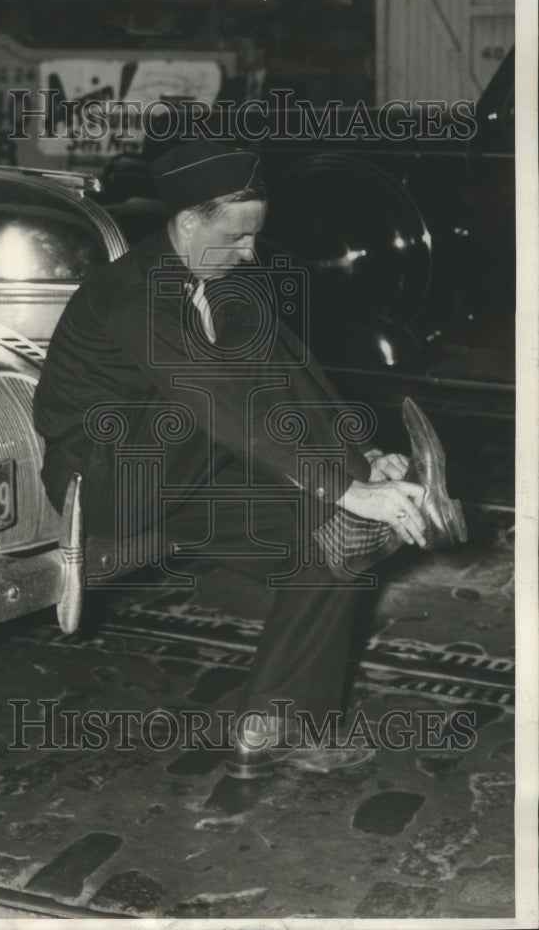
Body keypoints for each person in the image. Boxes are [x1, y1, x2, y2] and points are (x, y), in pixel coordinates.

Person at [33, 139, 466, 778]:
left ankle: (274, 724)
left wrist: (363, 464)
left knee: (338, 540)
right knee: (215, 399)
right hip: (107, 482)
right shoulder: (134, 292)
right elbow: (216, 401)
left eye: (254, 237)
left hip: (194, 472)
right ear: (187, 223)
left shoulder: (227, 284)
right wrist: (344, 483)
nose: (249, 252)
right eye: (237, 237)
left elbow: (292, 375)